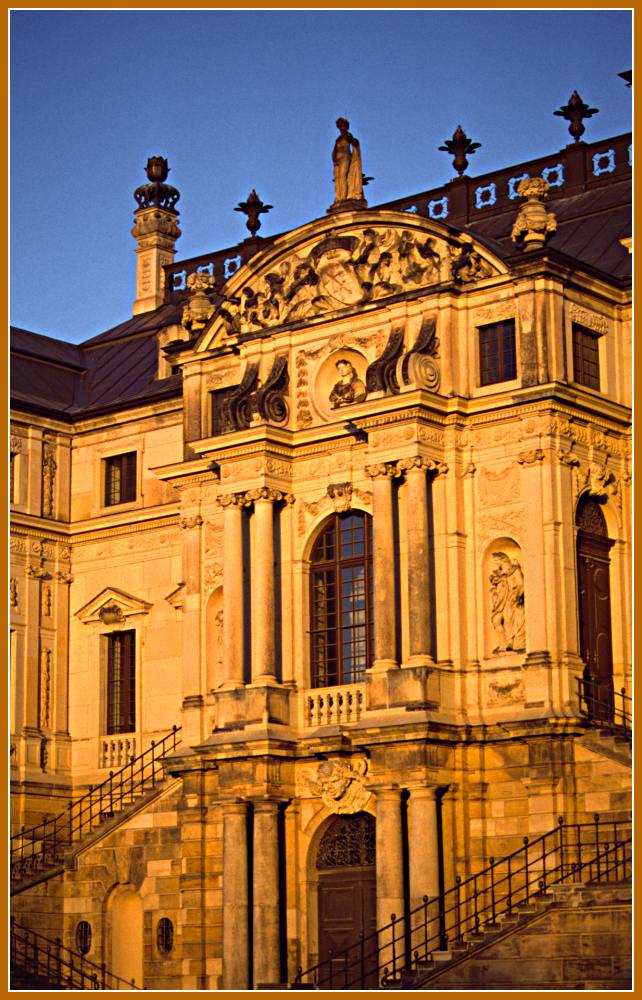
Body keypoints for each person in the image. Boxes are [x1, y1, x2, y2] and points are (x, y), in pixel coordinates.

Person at [332, 118, 364, 203]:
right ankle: (340, 197)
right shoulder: (338, 138)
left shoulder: (347, 135)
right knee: (339, 178)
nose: (340, 127)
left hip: (345, 156)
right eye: (339, 125)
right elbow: (335, 150)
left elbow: (355, 143)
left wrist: (352, 139)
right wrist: (334, 159)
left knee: (343, 176)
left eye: (342, 125)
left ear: (346, 126)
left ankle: (343, 197)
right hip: (338, 159)